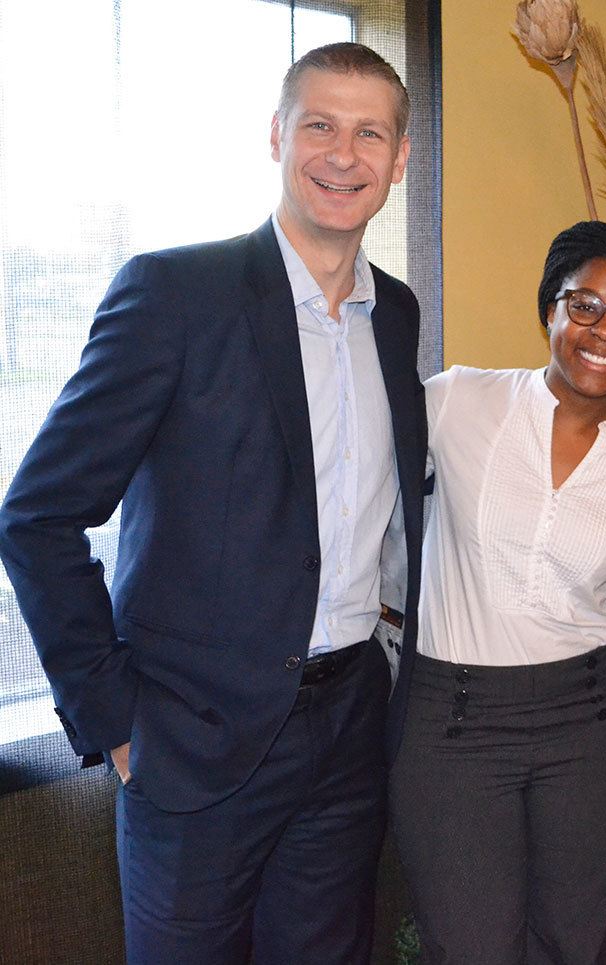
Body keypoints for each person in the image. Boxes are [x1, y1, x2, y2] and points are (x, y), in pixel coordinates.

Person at [0, 43, 424, 964]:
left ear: (397, 161)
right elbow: (36, 514)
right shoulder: (174, 294)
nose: (341, 154)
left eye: (368, 133)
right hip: (194, 740)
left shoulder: (395, 314)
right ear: (277, 135)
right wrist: (114, 722)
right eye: (318, 125)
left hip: (349, 726)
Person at [389, 220, 606, 964]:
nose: (604, 332)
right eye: (584, 304)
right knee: (469, 948)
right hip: (449, 721)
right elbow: (357, 484)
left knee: (569, 946)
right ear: (549, 310)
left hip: (583, 726)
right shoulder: (459, 401)